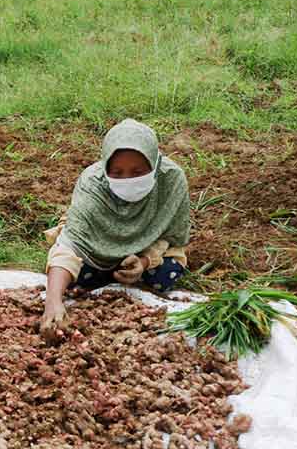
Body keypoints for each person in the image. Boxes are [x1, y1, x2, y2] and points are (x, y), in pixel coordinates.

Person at [41, 118, 191, 341]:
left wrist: (144, 262)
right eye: (117, 173)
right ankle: (107, 274)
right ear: (105, 168)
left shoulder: (171, 179)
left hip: (146, 248)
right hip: (97, 249)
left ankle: (124, 275)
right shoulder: (93, 184)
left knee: (164, 277)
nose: (127, 179)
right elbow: (71, 243)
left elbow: (170, 235)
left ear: (154, 165)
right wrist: (52, 302)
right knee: (77, 277)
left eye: (138, 171)